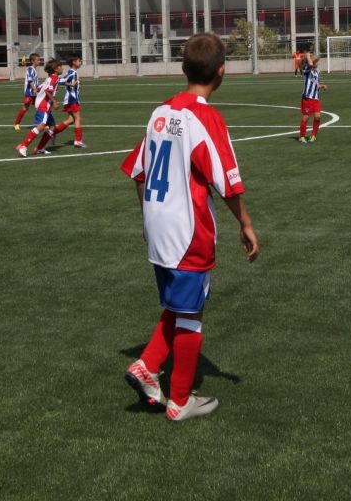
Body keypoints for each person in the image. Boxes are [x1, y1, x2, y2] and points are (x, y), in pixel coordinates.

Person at [121, 32, 259, 422]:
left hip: (159, 228)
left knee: (179, 305)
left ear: (183, 68)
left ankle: (147, 365)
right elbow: (226, 181)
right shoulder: (206, 117)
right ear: (221, 72)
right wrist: (246, 224)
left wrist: (149, 216)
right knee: (190, 315)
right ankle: (180, 400)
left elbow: (137, 171)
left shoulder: (160, 112)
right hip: (188, 231)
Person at [15, 58, 63, 156]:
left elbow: (40, 88)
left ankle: (39, 148)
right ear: (55, 69)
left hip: (45, 105)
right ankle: (23, 146)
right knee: (41, 125)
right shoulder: (53, 78)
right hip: (44, 105)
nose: (62, 68)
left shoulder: (51, 78)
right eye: (60, 66)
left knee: (52, 127)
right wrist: (54, 102)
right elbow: (47, 91)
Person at [54, 53, 85, 148]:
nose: (81, 62)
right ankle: (78, 141)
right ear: (74, 62)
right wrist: (71, 85)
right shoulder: (72, 73)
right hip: (72, 99)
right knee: (78, 118)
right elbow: (59, 81)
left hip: (70, 99)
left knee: (71, 120)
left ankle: (53, 132)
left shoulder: (72, 72)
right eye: (79, 61)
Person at [298, 53, 326, 144]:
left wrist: (322, 86)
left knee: (317, 116)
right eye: (316, 61)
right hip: (307, 98)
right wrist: (308, 56)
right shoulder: (306, 68)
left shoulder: (317, 71)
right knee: (305, 117)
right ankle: (302, 137)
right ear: (312, 62)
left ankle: (313, 136)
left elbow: (316, 84)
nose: (317, 63)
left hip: (316, 98)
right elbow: (309, 64)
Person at [12, 53, 42, 130]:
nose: (39, 61)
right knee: (25, 108)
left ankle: (40, 123)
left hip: (34, 93)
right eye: (38, 60)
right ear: (33, 61)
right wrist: (35, 89)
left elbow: (34, 82)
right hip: (30, 93)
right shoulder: (31, 69)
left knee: (40, 106)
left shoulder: (34, 70)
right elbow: (30, 81)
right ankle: (16, 124)